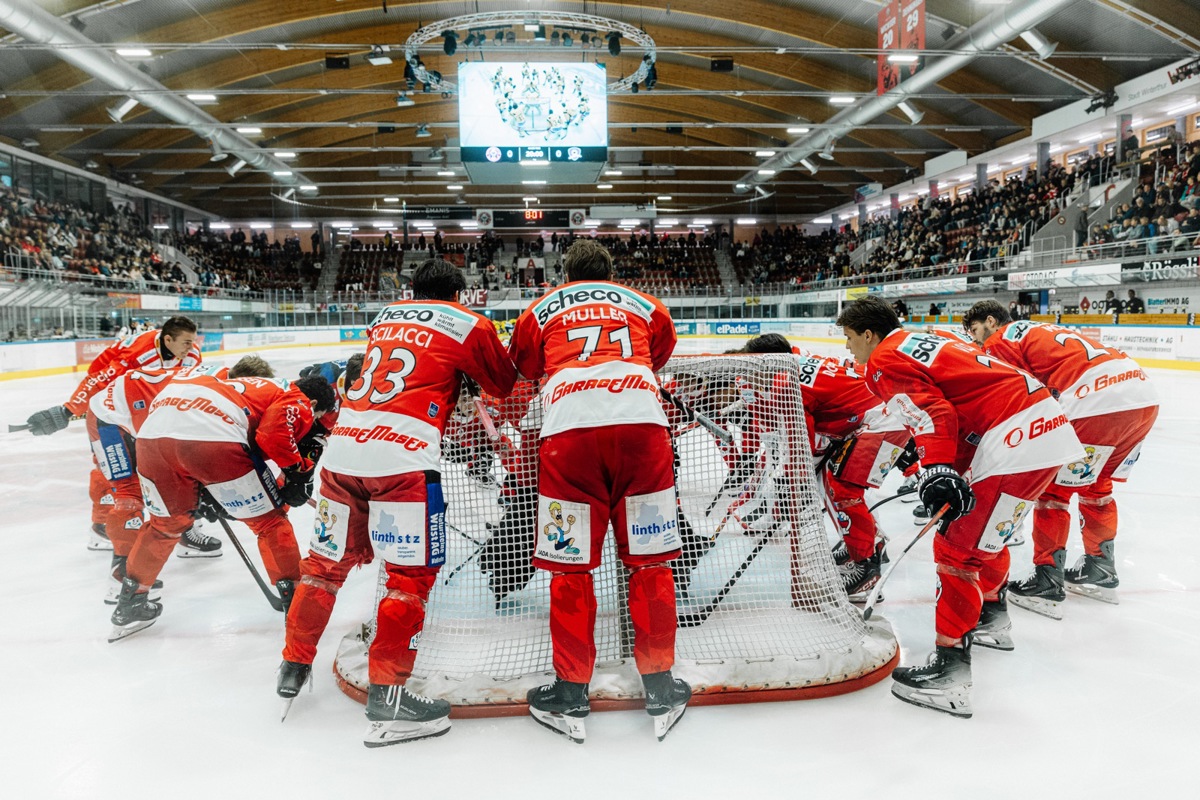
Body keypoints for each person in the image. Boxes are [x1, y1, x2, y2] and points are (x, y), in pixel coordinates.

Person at [279, 259, 515, 746]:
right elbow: (505, 383)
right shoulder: (469, 321)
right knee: (408, 580)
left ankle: (293, 666)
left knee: (322, 567)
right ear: (458, 293)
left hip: (343, 454)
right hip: (402, 460)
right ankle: (388, 700)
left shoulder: (386, 315)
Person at [836, 297, 1083, 718]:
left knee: (956, 551)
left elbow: (934, 411)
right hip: (1047, 431)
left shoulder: (883, 358)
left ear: (867, 334)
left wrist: (935, 470)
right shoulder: (932, 338)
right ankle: (991, 617)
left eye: (848, 338)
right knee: (988, 533)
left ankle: (950, 674)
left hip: (1013, 437)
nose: (847, 349)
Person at [508, 238, 690, 743]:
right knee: (650, 561)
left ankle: (570, 693)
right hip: (643, 428)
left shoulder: (539, 307)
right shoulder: (646, 304)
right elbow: (659, 354)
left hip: (568, 433)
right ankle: (659, 684)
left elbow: (524, 368)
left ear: (566, 274)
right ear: (610, 271)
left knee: (570, 569)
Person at [109, 371, 336, 642]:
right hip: (212, 437)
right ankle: (296, 603)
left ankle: (131, 602)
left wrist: (202, 486)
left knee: (165, 526)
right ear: (312, 404)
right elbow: (272, 435)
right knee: (269, 522)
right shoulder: (295, 395)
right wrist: (296, 472)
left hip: (151, 440)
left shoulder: (230, 380)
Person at [963, 301, 1158, 613]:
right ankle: (1100, 568)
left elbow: (1009, 395)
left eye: (975, 331)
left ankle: (1047, 579)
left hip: (1096, 399)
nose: (976, 341)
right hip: (1143, 395)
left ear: (990, 321)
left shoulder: (1000, 339)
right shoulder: (1041, 330)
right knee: (1097, 485)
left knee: (1053, 491)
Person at [24, 317, 220, 555]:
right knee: (113, 470)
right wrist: (69, 410)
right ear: (168, 340)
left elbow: (185, 388)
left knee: (178, 469)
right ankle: (101, 528)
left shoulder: (191, 354)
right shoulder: (138, 353)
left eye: (193, 342)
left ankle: (185, 530)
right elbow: (98, 380)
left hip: (142, 405)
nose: (191, 348)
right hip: (109, 408)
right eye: (186, 342)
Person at [88, 355, 275, 604]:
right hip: (109, 420)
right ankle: (121, 578)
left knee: (179, 485)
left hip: (147, 419)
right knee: (130, 495)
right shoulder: (215, 390)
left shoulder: (224, 382)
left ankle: (186, 534)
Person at [743, 333, 909, 601]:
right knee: (830, 483)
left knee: (842, 490)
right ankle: (869, 544)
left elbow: (805, 445)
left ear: (769, 362)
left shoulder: (786, 385)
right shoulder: (795, 363)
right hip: (878, 416)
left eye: (754, 365)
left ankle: (866, 569)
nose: (751, 374)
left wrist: (791, 481)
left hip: (882, 420)